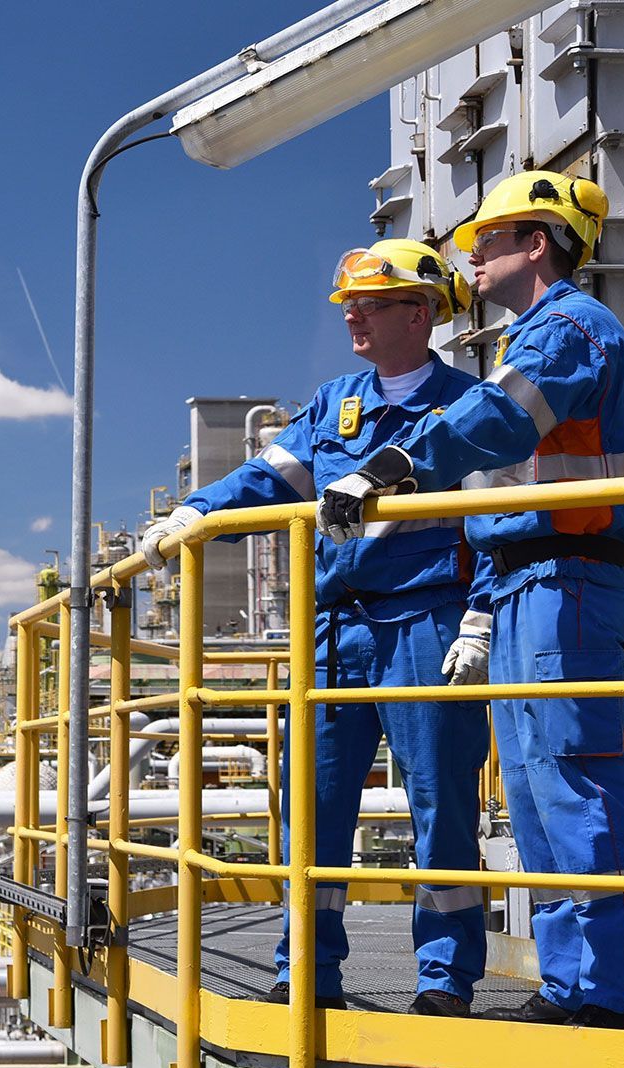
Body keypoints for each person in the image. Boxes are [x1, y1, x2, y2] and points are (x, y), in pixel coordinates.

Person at [315, 172, 624, 1031]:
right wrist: (479, 604)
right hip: (522, 582)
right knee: (539, 799)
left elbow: (497, 423)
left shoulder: (572, 329)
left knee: (575, 781)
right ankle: (574, 984)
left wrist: (390, 466)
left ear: (536, 243)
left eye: (490, 238)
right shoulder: (527, 337)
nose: (469, 252)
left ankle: (615, 996)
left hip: (569, 577)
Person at [141, 238, 489, 1017]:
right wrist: (196, 512)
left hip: (427, 621)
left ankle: (443, 980)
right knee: (313, 805)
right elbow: (270, 475)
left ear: (422, 313)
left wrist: (480, 615)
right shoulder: (338, 404)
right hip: (333, 631)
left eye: (370, 304)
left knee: (441, 806)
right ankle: (306, 969)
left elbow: (498, 524)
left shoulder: (469, 411)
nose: (353, 318)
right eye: (349, 307)